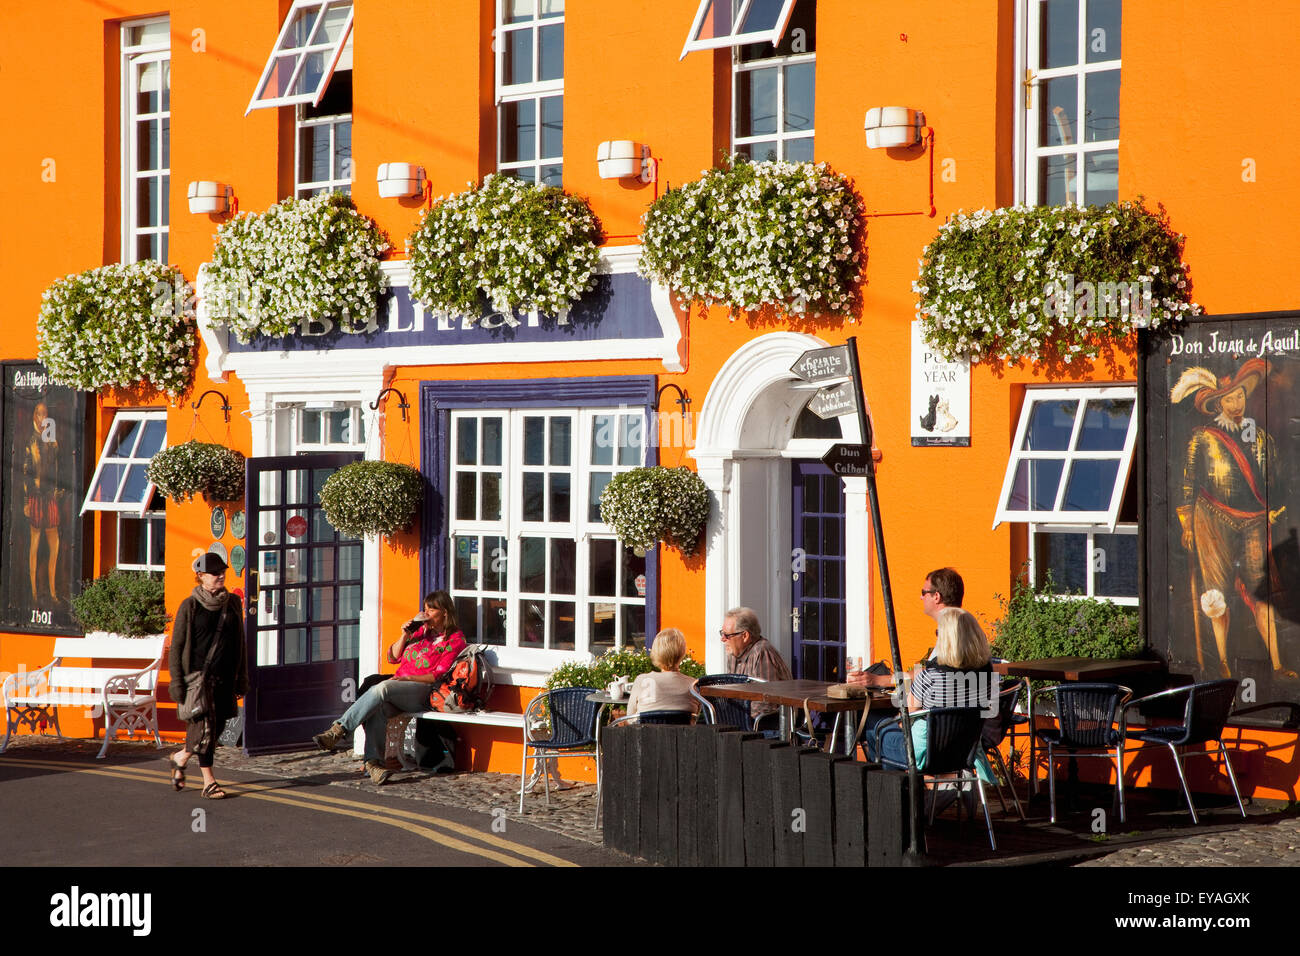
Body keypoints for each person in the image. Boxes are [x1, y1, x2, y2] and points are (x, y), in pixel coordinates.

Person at [1172, 358, 1293, 679]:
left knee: (1262, 590)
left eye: (1239, 396)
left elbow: (1278, 481)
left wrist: (1276, 507)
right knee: (1216, 592)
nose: (1236, 403)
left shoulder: (1262, 438)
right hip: (1212, 519)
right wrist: (1187, 524)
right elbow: (1187, 484)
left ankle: (1278, 665)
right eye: (1229, 398)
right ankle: (1221, 662)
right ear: (1217, 403)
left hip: (1254, 520)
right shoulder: (1203, 438)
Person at [312, 590, 466, 784]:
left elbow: (436, 675)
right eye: (425, 609)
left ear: (445, 612)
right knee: (378, 708)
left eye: (431, 610)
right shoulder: (420, 633)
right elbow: (392, 657)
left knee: (382, 687)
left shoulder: (454, 639)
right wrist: (405, 635)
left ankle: (339, 730)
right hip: (400, 687)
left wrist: (408, 677)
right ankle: (374, 764)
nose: (425, 614)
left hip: (424, 690)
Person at [864, 607, 996, 780]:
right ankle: (903, 792)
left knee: (875, 727)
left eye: (937, 632)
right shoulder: (985, 675)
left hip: (923, 756)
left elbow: (906, 719)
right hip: (963, 752)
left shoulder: (930, 676)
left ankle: (894, 794)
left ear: (946, 639)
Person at [167, 552, 248, 800]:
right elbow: (178, 646)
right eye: (215, 573)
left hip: (225, 677)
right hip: (198, 680)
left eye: (223, 571)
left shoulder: (232, 603)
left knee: (216, 727)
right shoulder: (189, 606)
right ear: (201, 576)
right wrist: (177, 682)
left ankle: (181, 757)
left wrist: (241, 678)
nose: (221, 575)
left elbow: (240, 643)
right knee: (205, 729)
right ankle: (209, 782)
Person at [848, 567, 966, 687]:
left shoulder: (953, 632)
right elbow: (929, 672)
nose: (921, 598)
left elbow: (930, 675)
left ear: (936, 596)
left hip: (939, 704)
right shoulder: (964, 628)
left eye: (923, 593)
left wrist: (878, 681)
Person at [720, 606, 792, 724]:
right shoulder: (734, 654)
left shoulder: (762, 652)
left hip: (768, 724)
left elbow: (766, 702)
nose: (723, 639)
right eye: (722, 633)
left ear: (745, 636)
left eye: (727, 635)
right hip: (742, 721)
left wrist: (739, 723)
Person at [23, 401, 61, 605]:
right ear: (34, 417)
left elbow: (58, 468)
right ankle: (35, 593)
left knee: (55, 544)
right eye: (39, 414)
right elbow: (26, 472)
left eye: (45, 414)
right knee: (35, 544)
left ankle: (53, 592)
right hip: (36, 495)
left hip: (50, 496)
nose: (42, 418)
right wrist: (26, 501)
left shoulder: (52, 442)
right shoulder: (31, 441)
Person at [626, 628, 700, 720]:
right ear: (682, 653)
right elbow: (695, 719)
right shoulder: (694, 686)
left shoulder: (642, 681)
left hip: (645, 733)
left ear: (655, 652)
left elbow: (629, 718)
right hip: (682, 734)